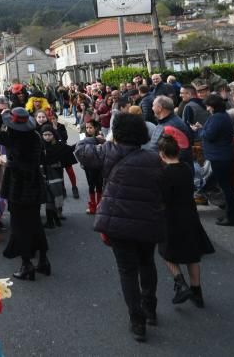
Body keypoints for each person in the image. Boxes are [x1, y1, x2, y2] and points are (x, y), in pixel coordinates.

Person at [75, 113, 164, 342]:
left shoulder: (108, 151)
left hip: (118, 221)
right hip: (148, 219)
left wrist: (94, 138)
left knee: (127, 271)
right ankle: (150, 308)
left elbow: (80, 151)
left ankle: (137, 320)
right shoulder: (154, 158)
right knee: (147, 263)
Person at [0, 108, 50, 282]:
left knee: (19, 225)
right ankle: (43, 260)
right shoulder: (35, 136)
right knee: (35, 222)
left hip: (18, 184)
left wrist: (1, 115)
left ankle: (26, 264)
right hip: (34, 183)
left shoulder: (12, 137)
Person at [157, 135, 213, 308]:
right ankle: (197, 292)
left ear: (161, 154)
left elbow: (163, 199)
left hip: (171, 217)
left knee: (165, 251)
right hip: (189, 214)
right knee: (191, 254)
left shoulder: (164, 174)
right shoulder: (187, 168)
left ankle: (180, 282)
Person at [197, 94, 234, 226]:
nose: (207, 108)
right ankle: (231, 214)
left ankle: (232, 217)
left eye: (208, 105)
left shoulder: (217, 118)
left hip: (219, 157)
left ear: (213, 106)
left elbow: (209, 135)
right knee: (226, 187)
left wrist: (200, 130)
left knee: (226, 188)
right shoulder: (222, 116)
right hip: (222, 155)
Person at [48, 110, 80, 199]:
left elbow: (64, 138)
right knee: (59, 171)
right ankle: (63, 189)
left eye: (54, 118)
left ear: (57, 119)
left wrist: (56, 130)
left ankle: (74, 187)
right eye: (50, 119)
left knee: (69, 170)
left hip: (64, 150)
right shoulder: (48, 128)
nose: (52, 120)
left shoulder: (61, 126)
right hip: (56, 152)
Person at [81, 120, 105, 214]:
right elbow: (80, 152)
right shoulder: (84, 138)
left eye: (90, 127)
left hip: (98, 166)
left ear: (95, 128)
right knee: (91, 186)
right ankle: (92, 206)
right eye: (87, 128)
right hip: (88, 166)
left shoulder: (100, 137)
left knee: (99, 185)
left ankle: (99, 206)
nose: (88, 129)